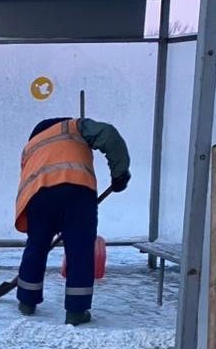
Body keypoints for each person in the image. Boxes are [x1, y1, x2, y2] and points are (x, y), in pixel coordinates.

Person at [15, 117, 130, 326]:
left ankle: (26, 301)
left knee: (36, 247)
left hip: (39, 197)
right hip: (77, 193)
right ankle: (76, 311)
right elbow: (109, 134)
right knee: (80, 251)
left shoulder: (30, 147)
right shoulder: (74, 127)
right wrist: (120, 173)